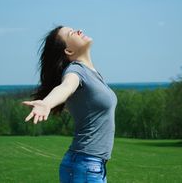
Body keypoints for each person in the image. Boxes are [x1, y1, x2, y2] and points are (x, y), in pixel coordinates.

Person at [21, 25, 118, 183]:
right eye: (72, 33)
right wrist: (47, 103)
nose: (79, 31)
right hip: (85, 166)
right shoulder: (75, 71)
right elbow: (65, 87)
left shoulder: (92, 74)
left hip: (91, 166)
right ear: (69, 51)